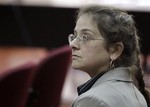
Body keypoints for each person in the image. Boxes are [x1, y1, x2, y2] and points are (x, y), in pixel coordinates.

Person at [68, 4, 150, 107]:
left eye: (85, 37)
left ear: (115, 50)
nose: (72, 44)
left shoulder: (92, 100)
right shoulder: (137, 94)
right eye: (75, 36)